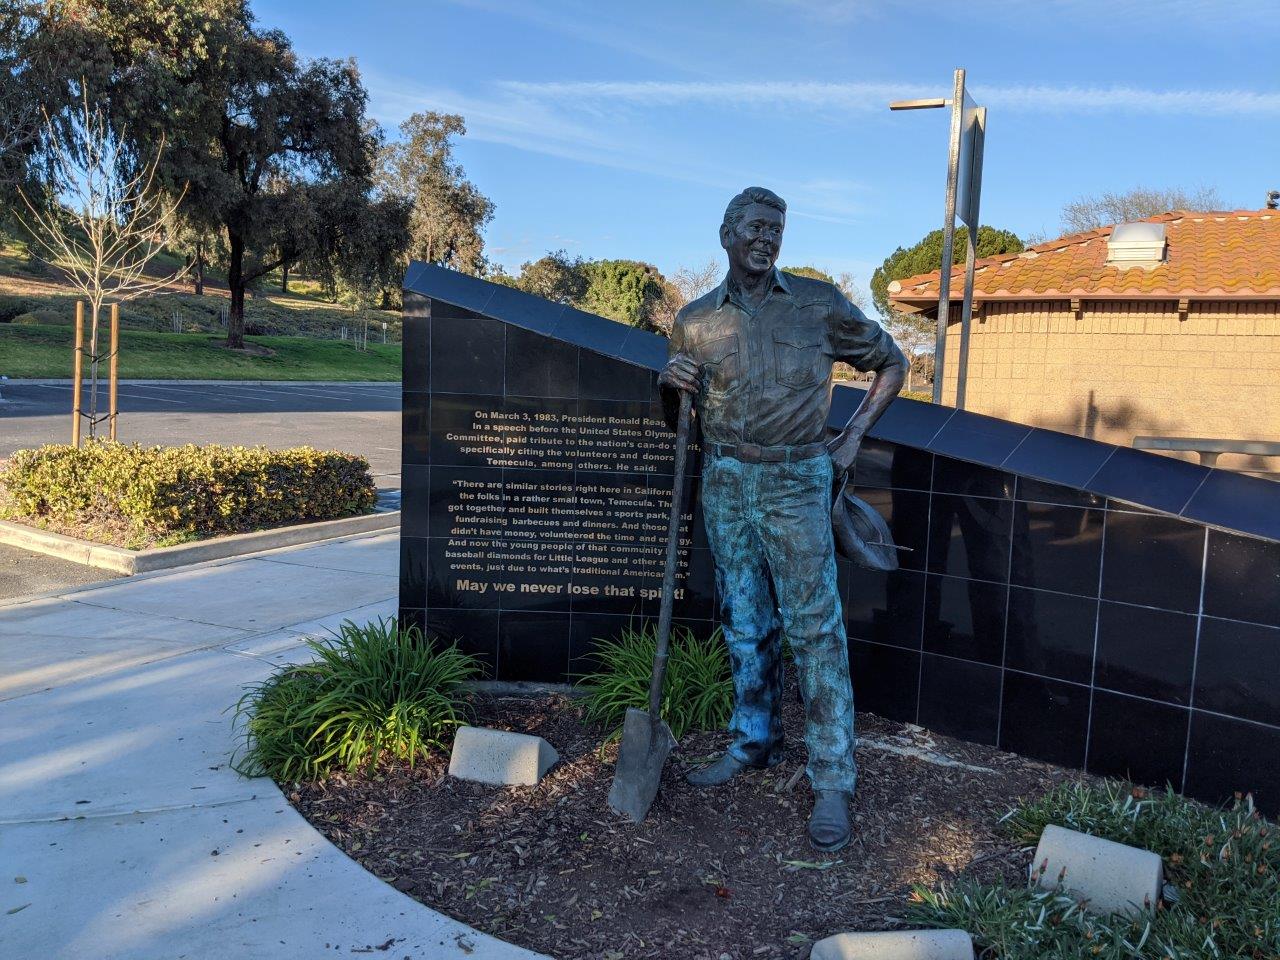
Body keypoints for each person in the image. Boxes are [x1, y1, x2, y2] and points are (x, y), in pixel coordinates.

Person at [659, 186, 906, 851]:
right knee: (745, 621)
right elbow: (681, 426)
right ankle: (753, 741)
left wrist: (852, 435)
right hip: (726, 479)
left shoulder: (818, 304)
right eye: (755, 227)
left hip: (797, 478)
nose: (766, 238)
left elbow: (891, 362)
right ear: (726, 235)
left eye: (776, 228)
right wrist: (669, 386)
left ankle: (832, 775)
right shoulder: (694, 322)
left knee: (815, 628)